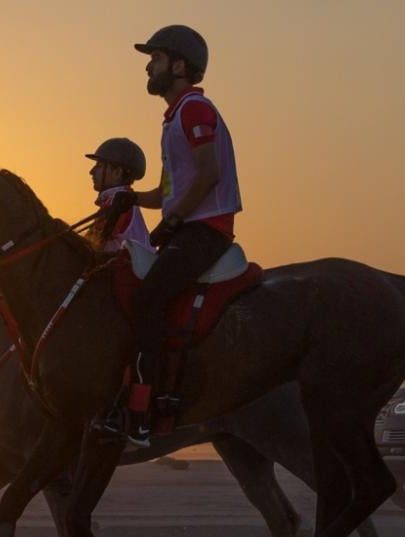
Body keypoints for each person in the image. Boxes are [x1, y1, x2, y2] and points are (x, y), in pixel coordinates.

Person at [106, 25, 243, 447]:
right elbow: (168, 192)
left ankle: (144, 412)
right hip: (189, 226)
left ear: (179, 66)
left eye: (156, 59)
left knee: (147, 299)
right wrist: (128, 200)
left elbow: (208, 175)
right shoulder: (174, 117)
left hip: (205, 231)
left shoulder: (194, 111)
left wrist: (173, 222)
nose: (149, 66)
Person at [84, 138, 151, 253]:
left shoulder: (119, 201)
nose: (92, 171)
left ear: (117, 173)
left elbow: (93, 242)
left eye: (99, 166)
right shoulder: (115, 199)